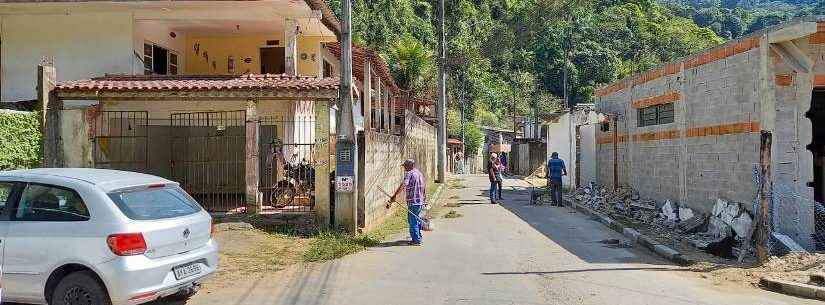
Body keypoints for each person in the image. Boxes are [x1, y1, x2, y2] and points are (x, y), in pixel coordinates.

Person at [390, 159, 427, 246]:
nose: (404, 168)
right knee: (416, 219)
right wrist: (425, 199)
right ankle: (418, 237)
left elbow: (403, 185)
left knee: (412, 221)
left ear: (410, 165)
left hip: (413, 202)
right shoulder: (419, 173)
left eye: (405, 166)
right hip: (420, 202)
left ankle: (416, 240)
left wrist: (395, 195)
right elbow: (424, 187)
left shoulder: (409, 174)